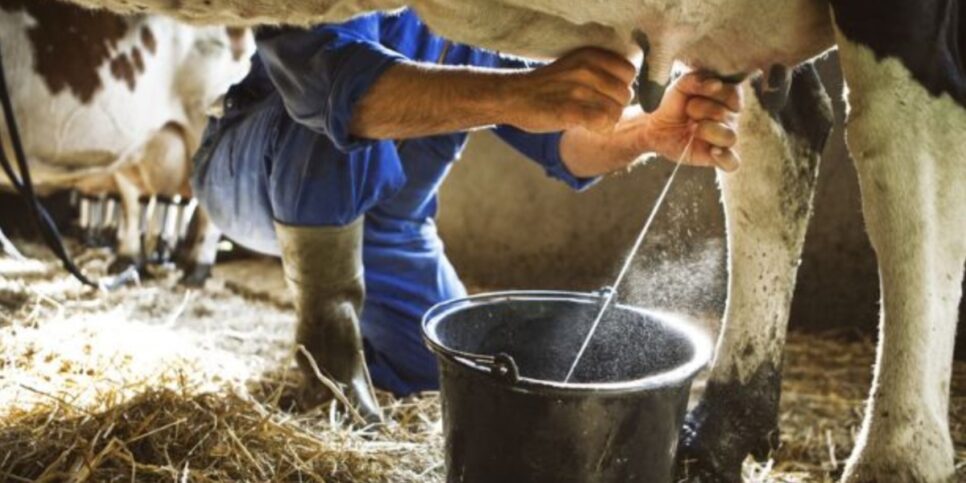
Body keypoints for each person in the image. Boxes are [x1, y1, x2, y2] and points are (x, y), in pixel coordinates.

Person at [192, 8, 742, 421]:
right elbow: (333, 88)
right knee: (333, 113)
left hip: (390, 230)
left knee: (449, 373)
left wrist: (648, 131)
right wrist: (522, 94)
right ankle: (327, 359)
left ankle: (372, 352)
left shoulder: (480, 18)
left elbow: (565, 143)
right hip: (252, 170)